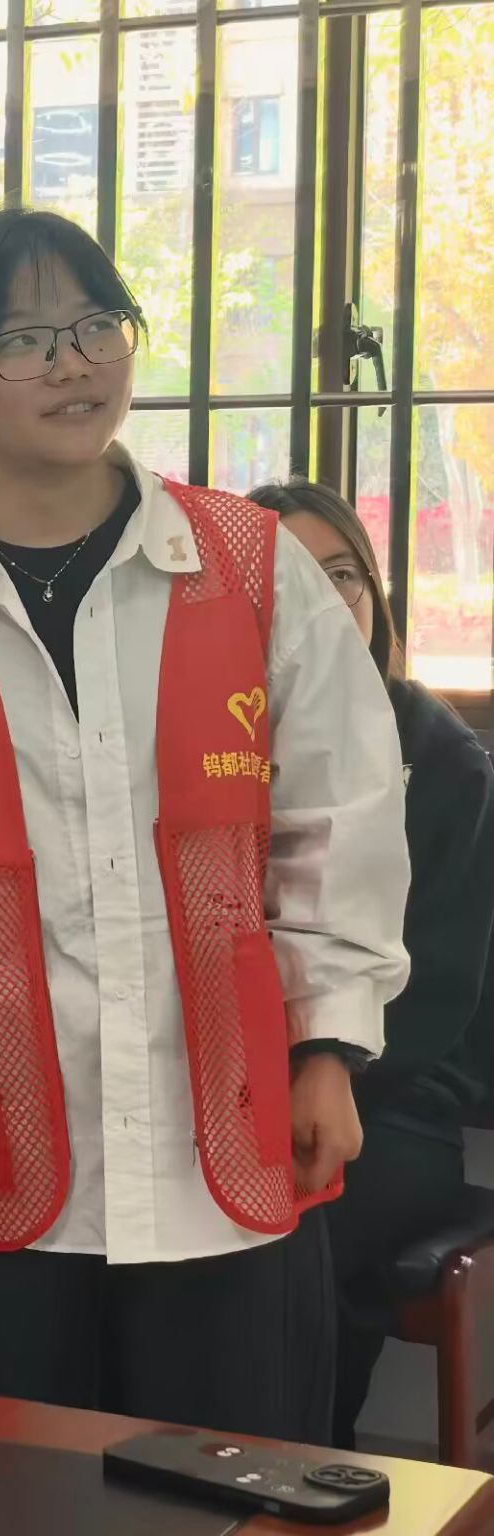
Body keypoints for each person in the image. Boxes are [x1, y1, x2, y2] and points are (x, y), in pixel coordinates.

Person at [0, 206, 410, 1443]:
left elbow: (338, 823)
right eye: (20, 339)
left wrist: (328, 1043)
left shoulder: (248, 567)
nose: (70, 363)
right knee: (4, 1492)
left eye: (94, 325)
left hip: (222, 1136)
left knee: (224, 1486)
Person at [250, 477, 494, 1448]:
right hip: (231, 1093)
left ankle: (308, 1466)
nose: (322, 601)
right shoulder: (204, 742)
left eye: (342, 574)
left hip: (392, 1105)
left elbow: (437, 995)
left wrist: (316, 1064)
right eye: (287, 580)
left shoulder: (443, 759)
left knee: (291, 1226)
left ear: (373, 597)